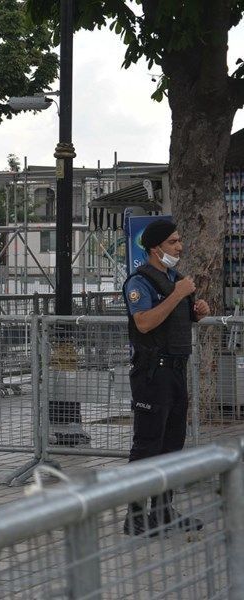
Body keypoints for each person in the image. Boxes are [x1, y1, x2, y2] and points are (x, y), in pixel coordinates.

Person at [122, 219, 210, 536]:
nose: (179, 247)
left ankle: (163, 512)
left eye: (179, 240)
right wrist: (177, 295)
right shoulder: (140, 282)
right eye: (173, 242)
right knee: (147, 446)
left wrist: (197, 310)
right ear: (156, 248)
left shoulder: (174, 279)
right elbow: (144, 322)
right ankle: (135, 517)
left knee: (172, 445)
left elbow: (177, 319)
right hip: (152, 372)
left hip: (175, 370)